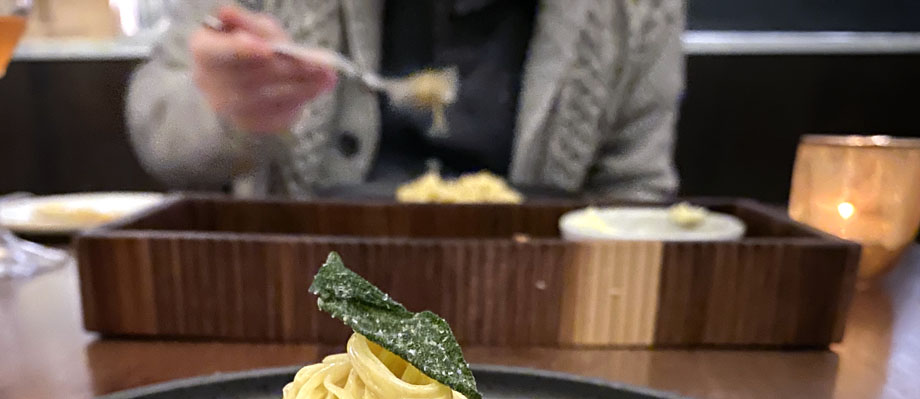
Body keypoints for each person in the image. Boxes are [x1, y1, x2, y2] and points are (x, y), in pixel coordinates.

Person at [127, 0, 685, 200]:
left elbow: (633, 192)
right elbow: (159, 131)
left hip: (531, 314)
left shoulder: (634, 10)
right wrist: (231, 111)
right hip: (300, 302)